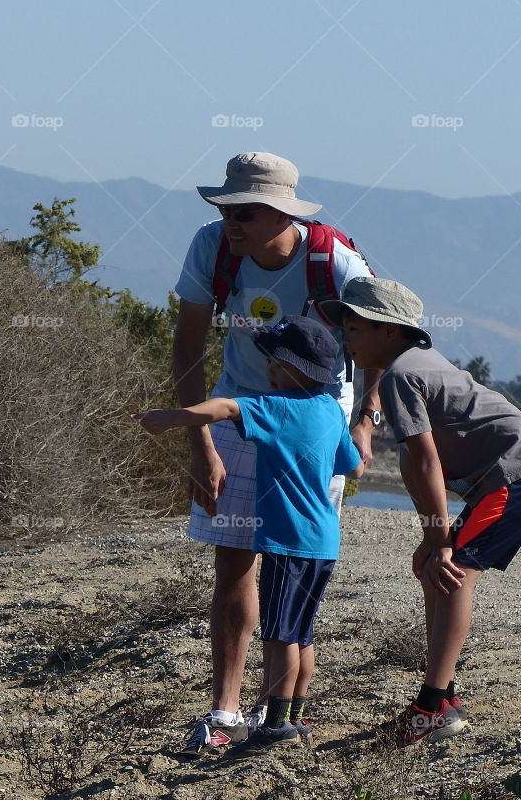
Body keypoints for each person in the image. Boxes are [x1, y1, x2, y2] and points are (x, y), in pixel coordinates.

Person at [172, 152, 381, 753]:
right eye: (225, 209)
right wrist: (200, 444)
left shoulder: (334, 261)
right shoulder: (211, 250)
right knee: (233, 556)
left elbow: (380, 336)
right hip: (235, 408)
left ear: (283, 213)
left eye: (247, 212)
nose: (231, 221)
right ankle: (225, 710)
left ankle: (280, 707)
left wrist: (366, 418)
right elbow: (186, 346)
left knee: (293, 559)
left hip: (317, 416)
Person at [319, 276, 521, 747]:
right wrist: (434, 536)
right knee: (438, 568)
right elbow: (414, 463)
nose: (344, 339)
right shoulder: (411, 367)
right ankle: (443, 700)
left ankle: (431, 706)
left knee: (455, 572)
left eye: (353, 328)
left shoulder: (403, 375)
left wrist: (439, 542)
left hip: (519, 474)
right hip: (512, 475)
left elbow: (427, 460)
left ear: (389, 330)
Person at [135, 317, 364, 753]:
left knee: (279, 635)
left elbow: (223, 407)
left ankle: (274, 724)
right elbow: (350, 464)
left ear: (292, 369)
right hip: (323, 543)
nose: (268, 372)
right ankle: (297, 717)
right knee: (302, 632)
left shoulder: (276, 407)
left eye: (274, 364)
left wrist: (171, 418)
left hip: (285, 543)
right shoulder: (331, 410)